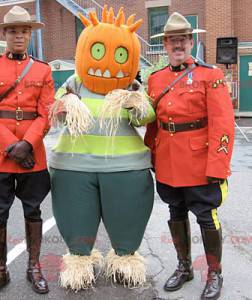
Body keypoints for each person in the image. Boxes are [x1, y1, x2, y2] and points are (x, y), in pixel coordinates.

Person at [49, 6, 155, 291]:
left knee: (127, 217)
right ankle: (80, 264)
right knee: (75, 217)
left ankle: (124, 260)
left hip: (125, 167)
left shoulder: (132, 87)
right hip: (74, 167)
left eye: (120, 55)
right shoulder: (74, 84)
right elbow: (55, 113)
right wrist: (67, 105)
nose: (107, 63)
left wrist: (135, 103)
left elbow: (146, 117)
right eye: (98, 52)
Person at [145, 12, 235, 300]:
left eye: (183, 39)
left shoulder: (212, 75)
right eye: (172, 40)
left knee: (207, 217)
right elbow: (153, 122)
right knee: (175, 213)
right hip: (168, 160)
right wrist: (149, 154)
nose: (178, 44)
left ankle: (215, 272)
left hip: (200, 162)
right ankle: (184, 267)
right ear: (166, 44)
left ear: (192, 41)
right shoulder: (156, 79)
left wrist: (218, 164)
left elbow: (223, 124)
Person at [0, 6, 54, 299]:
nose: (19, 35)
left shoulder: (43, 70)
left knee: (33, 210)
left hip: (33, 154)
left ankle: (34, 267)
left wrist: (27, 144)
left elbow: (46, 114)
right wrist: (11, 146)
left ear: (30, 34)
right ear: (4, 34)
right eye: (13, 31)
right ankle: (0, 271)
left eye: (24, 30)